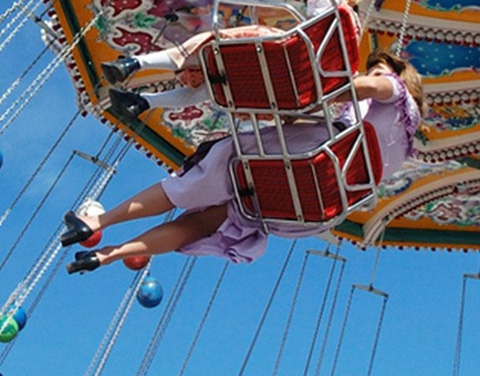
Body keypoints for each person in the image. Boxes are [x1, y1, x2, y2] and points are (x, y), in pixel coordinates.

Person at [62, 49, 425, 273]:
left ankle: (99, 221)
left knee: (190, 183)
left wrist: (308, 95)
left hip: (302, 163)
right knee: (207, 221)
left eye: (378, 70)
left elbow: (358, 88)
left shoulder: (393, 90)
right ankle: (109, 255)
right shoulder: (404, 146)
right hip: (309, 206)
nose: (373, 75)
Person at [102, 0, 363, 121]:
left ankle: (134, 63)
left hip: (289, 55)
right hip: (294, 85)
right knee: (214, 89)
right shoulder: (351, 43)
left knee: (207, 43)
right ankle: (143, 102)